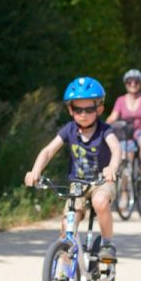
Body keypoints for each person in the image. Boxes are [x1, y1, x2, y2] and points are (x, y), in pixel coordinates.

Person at [24, 77, 121, 264]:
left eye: (89, 109)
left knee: (100, 201)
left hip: (102, 181)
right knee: (67, 225)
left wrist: (112, 168)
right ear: (70, 110)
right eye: (78, 109)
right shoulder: (69, 130)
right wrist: (35, 170)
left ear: (99, 109)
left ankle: (108, 244)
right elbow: (48, 151)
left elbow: (116, 149)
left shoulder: (104, 130)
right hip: (78, 184)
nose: (83, 114)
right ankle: (64, 273)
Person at [106, 68, 141, 184]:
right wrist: (103, 126)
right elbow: (113, 117)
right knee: (123, 160)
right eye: (130, 82)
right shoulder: (120, 100)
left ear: (140, 83)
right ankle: (125, 192)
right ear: (126, 83)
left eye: (136, 81)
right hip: (126, 133)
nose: (133, 84)